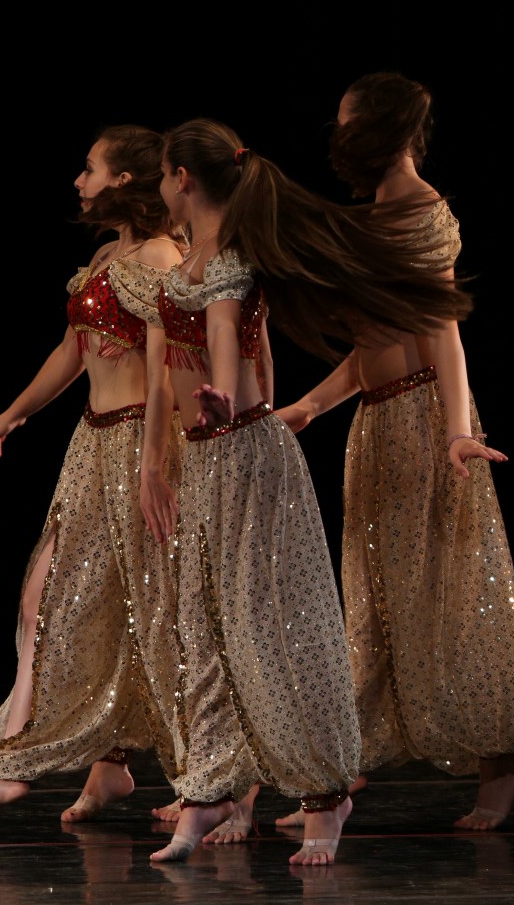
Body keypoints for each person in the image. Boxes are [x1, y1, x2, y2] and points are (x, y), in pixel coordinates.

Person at [139, 118, 473, 865]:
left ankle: (326, 794)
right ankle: (209, 789)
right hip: (207, 459)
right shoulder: (191, 260)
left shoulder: (231, 261)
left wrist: (224, 395)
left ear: (182, 179)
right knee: (203, 627)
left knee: (273, 627)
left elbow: (225, 334)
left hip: (246, 454)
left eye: (163, 175)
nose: (162, 187)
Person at [273, 73, 514, 831]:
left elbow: (442, 331)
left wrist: (456, 430)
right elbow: (371, 346)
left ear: (379, 129)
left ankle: (501, 763)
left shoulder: (422, 212)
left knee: (454, 592)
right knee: (376, 601)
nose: (337, 133)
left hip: (427, 420)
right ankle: (348, 767)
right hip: (377, 427)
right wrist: (311, 405)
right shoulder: (373, 216)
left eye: (348, 121)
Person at [0, 127, 184, 833]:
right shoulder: (106, 257)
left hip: (141, 445)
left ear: (123, 180)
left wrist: (153, 466)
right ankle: (105, 765)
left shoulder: (161, 257)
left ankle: (21, 766)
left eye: (90, 169)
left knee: (154, 608)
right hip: (92, 443)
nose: (79, 182)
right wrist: (15, 412)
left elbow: (167, 373)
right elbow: (73, 351)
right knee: (51, 600)